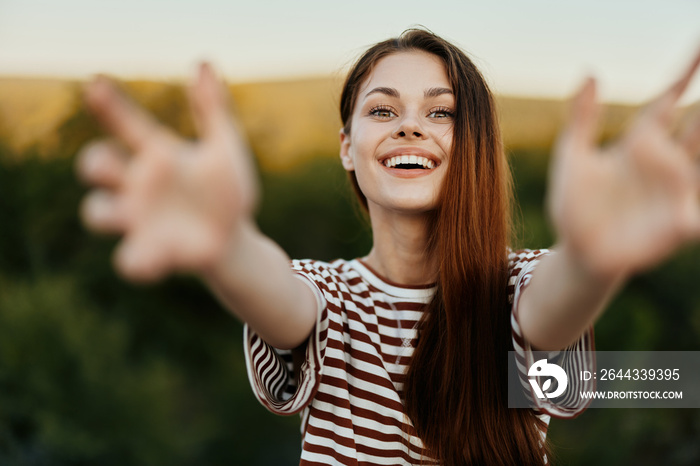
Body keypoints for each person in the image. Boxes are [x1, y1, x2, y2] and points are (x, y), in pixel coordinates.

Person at [76, 29, 700, 465]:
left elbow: (582, 344)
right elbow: (276, 295)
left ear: (475, 145)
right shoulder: (330, 300)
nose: (409, 126)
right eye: (382, 110)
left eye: (442, 112)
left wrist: (594, 261)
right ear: (347, 147)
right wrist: (224, 245)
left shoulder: (514, 291)